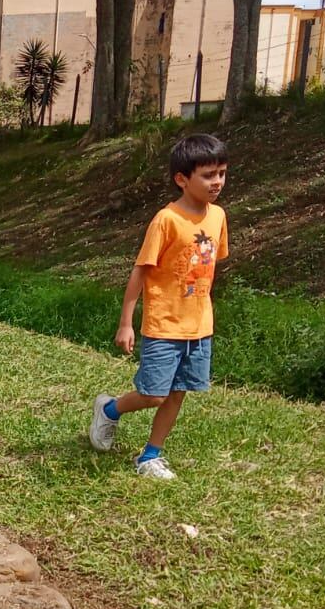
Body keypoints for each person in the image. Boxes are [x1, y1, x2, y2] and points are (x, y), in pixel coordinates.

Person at [89, 134, 229, 480]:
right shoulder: (166, 220)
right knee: (153, 393)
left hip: (199, 327)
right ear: (182, 179)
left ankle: (150, 456)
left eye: (222, 173)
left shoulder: (219, 216)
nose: (217, 183)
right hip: (163, 324)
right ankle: (109, 409)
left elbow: (210, 266)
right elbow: (141, 271)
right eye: (208, 175)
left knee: (177, 393)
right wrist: (126, 322)